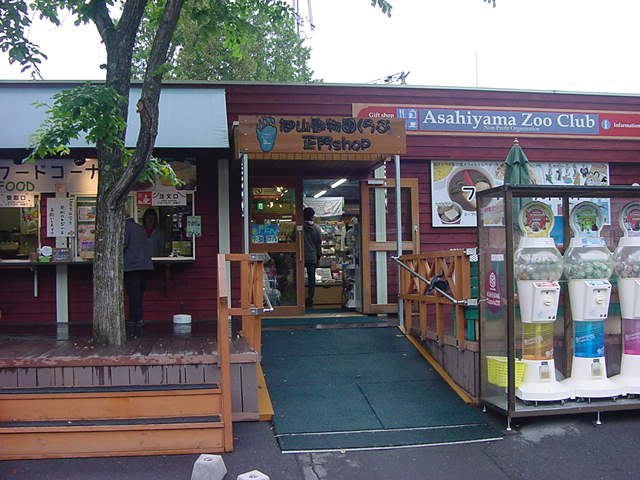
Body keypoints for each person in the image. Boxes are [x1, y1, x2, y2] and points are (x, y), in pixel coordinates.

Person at [124, 215, 153, 326]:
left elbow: (122, 244)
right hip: (143, 265)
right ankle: (138, 317)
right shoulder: (140, 228)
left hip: (132, 265)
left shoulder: (126, 228)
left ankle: (135, 318)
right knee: (138, 293)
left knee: (133, 293)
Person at [303, 207, 322, 308]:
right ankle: (310, 299)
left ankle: (299, 299)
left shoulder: (299, 228)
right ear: (312, 216)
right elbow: (318, 244)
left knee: (298, 278)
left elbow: (293, 239)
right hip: (312, 256)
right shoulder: (317, 229)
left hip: (300, 257)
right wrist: (318, 257)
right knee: (311, 279)